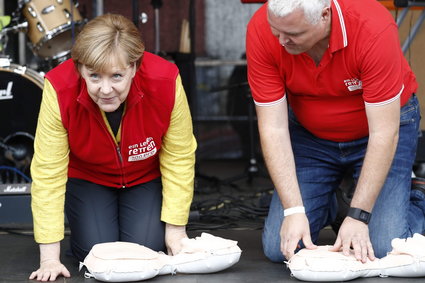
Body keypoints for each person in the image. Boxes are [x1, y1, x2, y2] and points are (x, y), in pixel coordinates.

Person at [246, 0, 425, 264]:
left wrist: (359, 216)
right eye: (277, 31)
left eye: (294, 34)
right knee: (280, 249)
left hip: (376, 133)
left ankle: (416, 196)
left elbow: (383, 133)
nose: (282, 41)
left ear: (324, 15)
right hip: (311, 136)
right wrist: (294, 210)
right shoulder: (262, 29)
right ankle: (329, 199)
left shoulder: (372, 27)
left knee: (384, 248)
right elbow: (273, 128)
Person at [29, 13, 196, 281]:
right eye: (94, 76)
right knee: (95, 254)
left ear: (134, 67)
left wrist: (176, 232)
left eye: (116, 76)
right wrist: (49, 258)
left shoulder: (165, 79)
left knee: (145, 252)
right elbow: (48, 173)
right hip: (88, 177)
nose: (105, 90)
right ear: (80, 67)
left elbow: (179, 156)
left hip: (144, 176)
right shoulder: (59, 87)